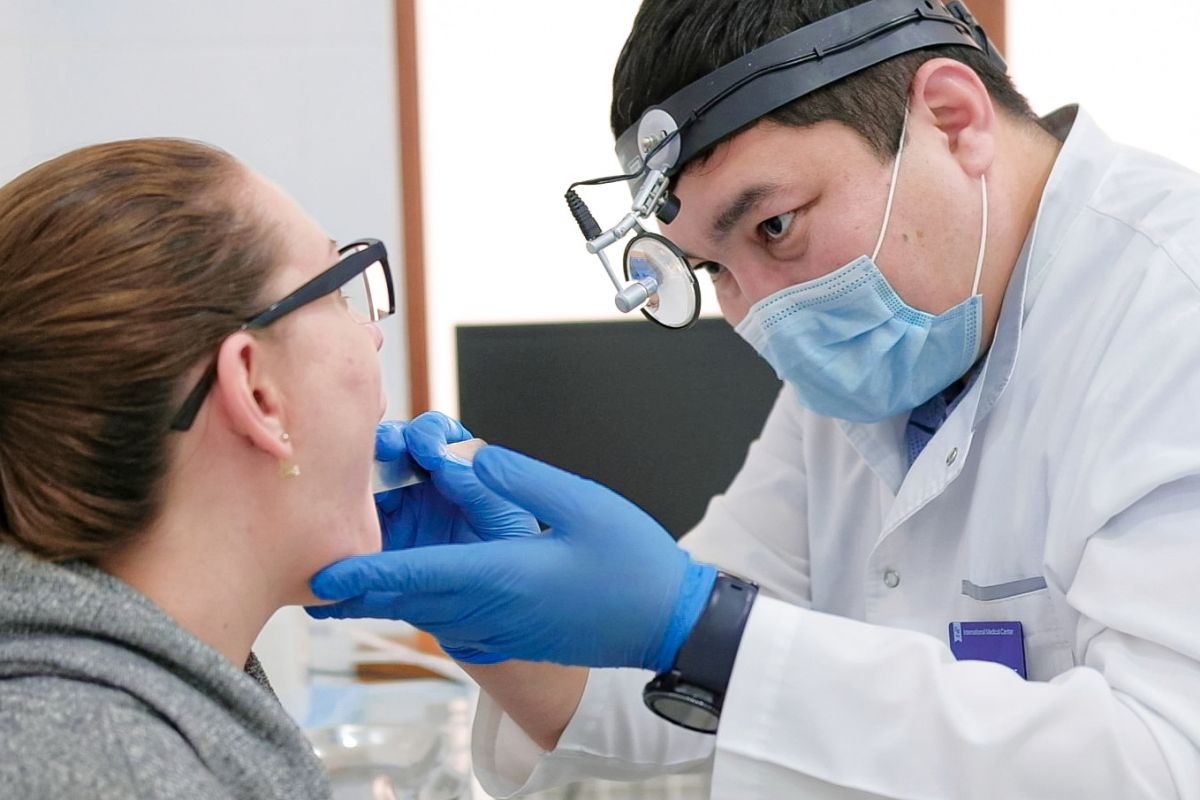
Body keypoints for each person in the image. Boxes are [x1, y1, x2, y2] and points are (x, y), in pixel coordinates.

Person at [310, 0, 1200, 797]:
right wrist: (498, 618)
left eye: (775, 225)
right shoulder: (885, 351)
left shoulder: (1171, 304)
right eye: (711, 268)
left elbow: (1165, 764)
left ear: (951, 118)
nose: (762, 313)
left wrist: (704, 629)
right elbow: (689, 688)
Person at [0, 138, 394, 799]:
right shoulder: (104, 766)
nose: (373, 333)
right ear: (256, 390)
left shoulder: (107, 722)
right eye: (337, 288)